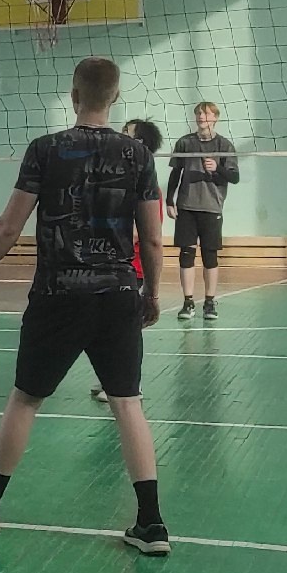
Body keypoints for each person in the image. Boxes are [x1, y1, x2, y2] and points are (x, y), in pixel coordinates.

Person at [0, 57, 170, 555]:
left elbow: (7, 227)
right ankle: (152, 523)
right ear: (115, 97)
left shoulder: (45, 150)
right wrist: (152, 293)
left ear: (74, 96)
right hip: (118, 293)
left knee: (26, 399)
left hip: (57, 294)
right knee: (127, 402)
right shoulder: (138, 154)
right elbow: (153, 238)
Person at [94, 118, 164, 401]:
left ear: (139, 144)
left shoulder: (145, 183)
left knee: (127, 328)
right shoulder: (115, 178)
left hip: (130, 267)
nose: (120, 135)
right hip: (107, 265)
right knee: (105, 325)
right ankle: (108, 381)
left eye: (127, 133)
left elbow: (146, 235)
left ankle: (132, 385)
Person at [167, 101, 240, 321]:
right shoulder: (185, 143)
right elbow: (175, 173)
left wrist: (217, 169)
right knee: (186, 254)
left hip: (211, 206)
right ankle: (188, 302)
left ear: (215, 117)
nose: (201, 117)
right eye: (198, 113)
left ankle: (209, 302)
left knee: (210, 255)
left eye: (206, 113)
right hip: (187, 206)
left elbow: (234, 177)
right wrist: (169, 200)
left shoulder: (224, 145)